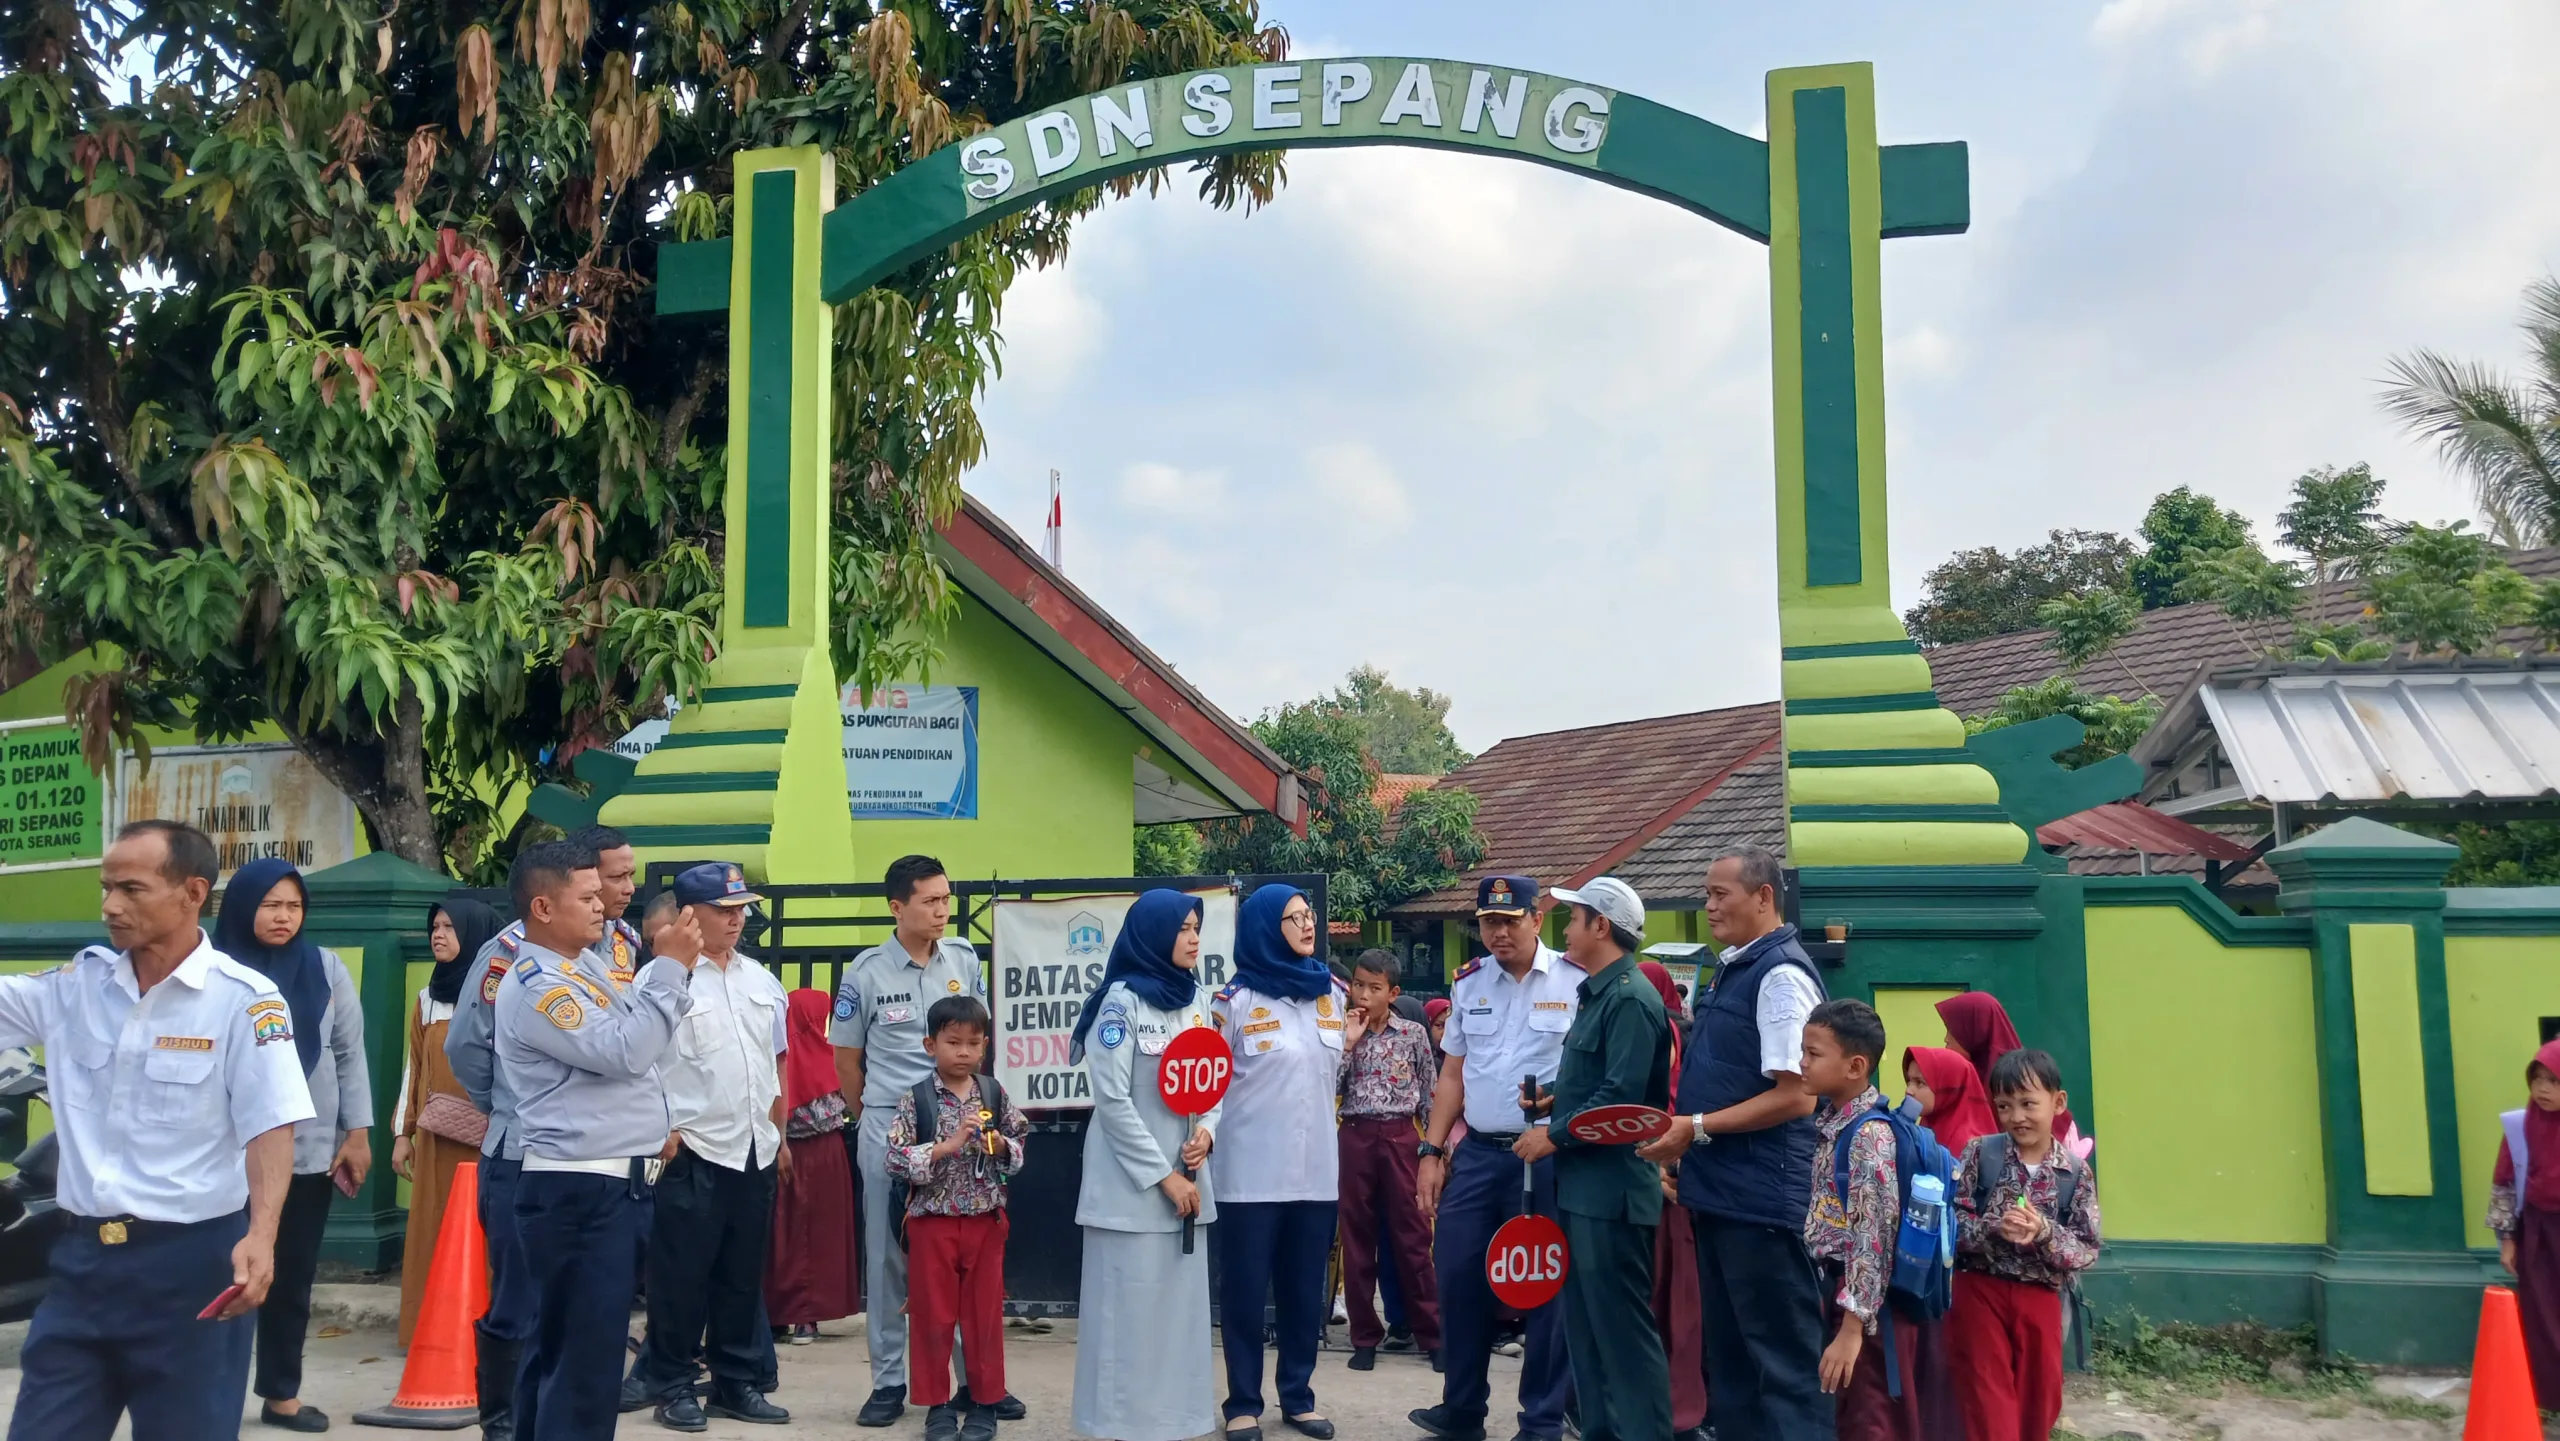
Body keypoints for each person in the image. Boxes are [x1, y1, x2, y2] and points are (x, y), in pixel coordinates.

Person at [0, 819, 315, 1441]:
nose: (110, 906)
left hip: (193, 1268)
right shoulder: (73, 987)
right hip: (80, 1265)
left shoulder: (244, 1001)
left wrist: (263, 1234)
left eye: (132, 889)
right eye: (106, 888)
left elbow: (271, 1125)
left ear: (193, 893)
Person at [493, 839, 702, 1441]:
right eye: (585, 897)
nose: (602, 906)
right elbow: (627, 1050)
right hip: (578, 1190)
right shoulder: (538, 984)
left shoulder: (580, 965)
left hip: (606, 1185)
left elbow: (636, 1037)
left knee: (562, 1353)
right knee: (584, 1366)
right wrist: (670, 969)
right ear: (542, 907)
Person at [449, 828, 644, 1440]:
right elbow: (465, 1046)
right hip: (522, 1152)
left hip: (598, 1157)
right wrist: (508, 1104)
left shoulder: (618, 946)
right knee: (520, 1301)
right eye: (610, 879)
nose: (622, 890)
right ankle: (501, 1421)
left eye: (621, 878)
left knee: (569, 1318)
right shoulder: (512, 955)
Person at [1637, 845, 1830, 1441]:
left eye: (1721, 894)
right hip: (1723, 1194)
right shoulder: (1738, 967)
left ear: (1764, 898)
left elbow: (1798, 1096)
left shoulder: (1779, 977)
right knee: (1734, 1368)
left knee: (1783, 1368)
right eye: (1708, 892)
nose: (1709, 905)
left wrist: (1694, 1129)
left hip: (1763, 1202)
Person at [829, 853, 1020, 1426]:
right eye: (930, 901)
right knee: (890, 1256)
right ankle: (889, 1381)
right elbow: (846, 1060)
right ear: (897, 907)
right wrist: (881, 1119)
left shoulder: (962, 958)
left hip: (964, 1126)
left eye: (946, 898)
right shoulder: (866, 972)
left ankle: (972, 1383)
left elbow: (977, 1036)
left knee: (964, 1258)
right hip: (893, 1127)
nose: (943, 911)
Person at [1410, 875, 1579, 1441]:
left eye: (1510, 920)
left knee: (1546, 1289)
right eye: (1489, 922)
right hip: (1479, 1155)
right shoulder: (1468, 983)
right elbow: (1452, 1074)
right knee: (1457, 1273)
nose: (1499, 932)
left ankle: (1542, 1421)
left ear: (1537, 919)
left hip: (1548, 1155)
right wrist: (1432, 1152)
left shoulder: (1575, 980)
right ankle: (1461, 1411)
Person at [624, 863, 792, 1429]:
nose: (737, 920)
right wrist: (660, 1130)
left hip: (754, 1149)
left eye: (742, 908)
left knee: (741, 1275)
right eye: (725, 910)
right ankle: (673, 1385)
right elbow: (638, 1064)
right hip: (691, 1150)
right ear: (690, 915)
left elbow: (774, 1065)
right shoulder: (659, 980)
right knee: (680, 1278)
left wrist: (780, 1133)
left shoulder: (761, 981)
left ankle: (735, 1382)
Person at [215, 859, 373, 1434]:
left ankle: (281, 1394)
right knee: (218, 1277)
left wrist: (356, 1133)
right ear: (240, 907)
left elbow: (349, 1053)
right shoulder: (210, 969)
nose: (284, 917)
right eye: (270, 905)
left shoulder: (325, 968)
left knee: (291, 1277)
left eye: (294, 906)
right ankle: (210, 1394)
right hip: (223, 1153)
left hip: (306, 1150)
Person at [1071, 890, 1223, 1441]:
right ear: (1154, 934)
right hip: (1130, 1193)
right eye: (1182, 928)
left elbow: (1213, 1081)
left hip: (1189, 1187)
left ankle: (1176, 1425)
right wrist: (1165, 1177)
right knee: (1127, 1320)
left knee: (1177, 1320)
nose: (1193, 938)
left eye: (1196, 928)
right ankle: (1118, 1427)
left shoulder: (1196, 999)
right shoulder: (1120, 1002)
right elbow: (1112, 1101)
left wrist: (1207, 1131)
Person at [1529, 878, 1672, 1441]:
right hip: (1585, 1190)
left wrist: (1552, 1135)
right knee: (1587, 1334)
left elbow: (1622, 1098)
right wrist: (1554, 1099)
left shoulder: (1632, 998)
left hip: (1612, 1195)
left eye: (1574, 918)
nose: (1566, 928)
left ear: (1601, 927)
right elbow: (1596, 1082)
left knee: (1623, 1337)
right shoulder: (1600, 993)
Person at [1210, 882, 1354, 1440]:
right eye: (1293, 918)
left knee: (1303, 1291)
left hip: (1316, 1171)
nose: (1306, 925)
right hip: (1250, 1173)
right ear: (1267, 927)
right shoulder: (1235, 1001)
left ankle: (1298, 1396)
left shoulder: (1332, 993)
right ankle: (1243, 1402)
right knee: (1245, 1293)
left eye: (1309, 915)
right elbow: (1209, 1087)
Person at [1801, 999, 1959, 1441]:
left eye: (1814, 1054)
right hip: (1845, 1296)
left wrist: (1853, 1327)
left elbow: (1874, 1234)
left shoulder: (1868, 1135)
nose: (1801, 1063)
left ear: (1855, 1066)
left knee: (1871, 1422)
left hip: (1870, 1315)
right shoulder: (1835, 1121)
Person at [888, 995, 1031, 1441]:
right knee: (933, 1317)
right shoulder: (916, 1099)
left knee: (983, 1316)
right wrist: (944, 1147)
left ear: (985, 1046)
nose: (964, 1052)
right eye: (953, 1042)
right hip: (933, 1222)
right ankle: (937, 1407)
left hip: (985, 1223)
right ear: (931, 1045)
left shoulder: (993, 1093)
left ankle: (985, 1402)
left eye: (973, 1043)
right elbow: (893, 1157)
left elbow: (1019, 1142)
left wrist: (1004, 1148)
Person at [1951, 1048, 2101, 1441]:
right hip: (1980, 1291)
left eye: (2028, 1103)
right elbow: (1951, 1227)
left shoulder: (2074, 1172)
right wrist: (1993, 1228)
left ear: (2058, 1102)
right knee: (1988, 1403)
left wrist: (2046, 1232)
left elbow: (2087, 1249)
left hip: (2041, 1297)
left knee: (2040, 1405)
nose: (2016, 1116)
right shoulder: (1980, 1155)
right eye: (2004, 1106)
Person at [394, 897, 499, 1348]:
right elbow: (413, 1070)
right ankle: (429, 1331)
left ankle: (484, 1329)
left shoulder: (497, 993)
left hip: (491, 1136)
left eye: (450, 927)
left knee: (486, 1231)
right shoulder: (426, 999)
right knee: (434, 1231)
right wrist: (403, 1134)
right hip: (437, 1137)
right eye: (434, 926)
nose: (438, 934)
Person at [1335, 948, 1442, 1372]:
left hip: (1401, 1137)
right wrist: (1348, 1042)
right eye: (1358, 984)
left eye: (1373, 988)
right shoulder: (1341, 1030)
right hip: (1356, 1136)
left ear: (1393, 992)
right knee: (1358, 1239)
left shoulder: (1413, 1034)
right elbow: (1331, 1082)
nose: (1362, 994)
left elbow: (1432, 1096)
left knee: (1413, 1237)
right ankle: (1364, 1337)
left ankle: (1431, 1334)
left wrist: (1437, 1153)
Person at [1639, 960, 1711, 1441]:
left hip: (1666, 1176)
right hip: (1659, 1173)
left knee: (1671, 1301)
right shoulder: (1669, 1030)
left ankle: (1675, 1410)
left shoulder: (1659, 1030)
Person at [767, 987, 862, 1343]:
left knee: (822, 1232)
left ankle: (810, 1314)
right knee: (784, 1234)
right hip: (790, 1151)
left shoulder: (832, 1055)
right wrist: (781, 1144)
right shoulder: (782, 1059)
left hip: (827, 1152)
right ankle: (782, 1311)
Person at [2492, 1039, 2560, 1409]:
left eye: (2554, 1081)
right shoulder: (2521, 1126)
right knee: (2544, 1318)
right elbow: (2504, 1182)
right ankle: (2549, 1398)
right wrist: (2508, 1241)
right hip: (2538, 1234)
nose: (2543, 1090)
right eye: (2537, 1080)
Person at [1936, 992, 2081, 1153]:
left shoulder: (2005, 1076)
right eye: (2003, 1106)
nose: (1946, 1039)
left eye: (1953, 1030)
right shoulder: (1965, 1077)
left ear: (1975, 1028)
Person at [1902, 1045, 1995, 1155]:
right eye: (1909, 1081)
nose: (1908, 1090)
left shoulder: (1970, 1144)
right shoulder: (1927, 1124)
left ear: (1946, 1088)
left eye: (1919, 1083)